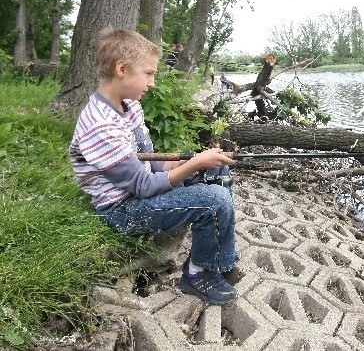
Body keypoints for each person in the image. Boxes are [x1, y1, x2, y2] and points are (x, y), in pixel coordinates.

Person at [69, 28, 239, 305]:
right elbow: (143, 187)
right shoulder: (99, 126)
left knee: (216, 171)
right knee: (214, 200)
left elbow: (147, 156)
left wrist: (184, 163)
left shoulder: (129, 106)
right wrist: (193, 163)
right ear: (122, 68)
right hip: (122, 210)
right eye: (148, 73)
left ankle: (220, 259)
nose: (152, 82)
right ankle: (198, 274)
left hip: (140, 191)